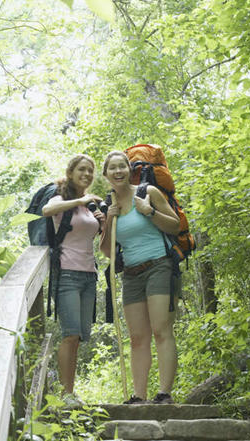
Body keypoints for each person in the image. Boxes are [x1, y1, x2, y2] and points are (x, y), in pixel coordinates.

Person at [99, 150, 181, 404]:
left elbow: (175, 225)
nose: (118, 171)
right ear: (106, 175)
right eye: (112, 168)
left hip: (159, 266)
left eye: (122, 166)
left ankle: (164, 394)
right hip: (131, 275)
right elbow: (107, 251)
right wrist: (109, 218)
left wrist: (149, 212)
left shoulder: (148, 193)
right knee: (137, 338)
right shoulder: (109, 205)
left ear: (129, 169)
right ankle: (139, 397)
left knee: (161, 329)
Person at [41, 154, 105, 408]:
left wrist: (103, 221)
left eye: (90, 170)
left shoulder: (90, 207)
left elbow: (95, 239)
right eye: (81, 169)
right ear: (70, 172)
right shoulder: (61, 199)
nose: (87, 174)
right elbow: (47, 211)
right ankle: (65, 395)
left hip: (89, 275)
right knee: (70, 334)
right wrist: (80, 200)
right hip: (67, 273)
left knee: (78, 337)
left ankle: (70, 392)